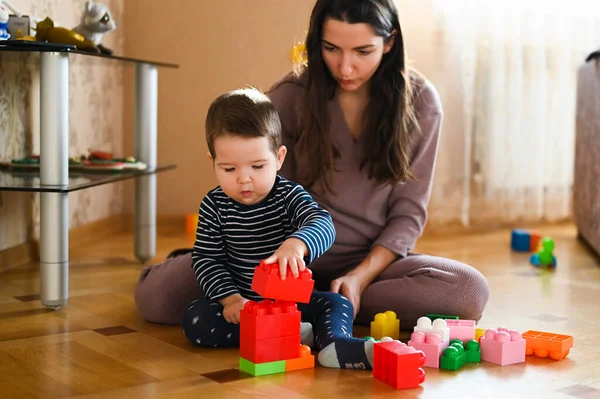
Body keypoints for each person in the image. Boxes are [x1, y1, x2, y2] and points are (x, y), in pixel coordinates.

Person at [134, 0, 489, 336]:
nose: (345, 67)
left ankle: (327, 302)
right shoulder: (289, 97)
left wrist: (359, 279)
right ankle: (322, 307)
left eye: (362, 51)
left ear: (390, 42)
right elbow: (260, 191)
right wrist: (271, 270)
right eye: (331, 48)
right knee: (156, 297)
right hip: (272, 258)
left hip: (368, 264)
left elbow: (408, 214)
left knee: (467, 292)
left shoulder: (421, 103)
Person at [181, 86, 383, 370]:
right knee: (196, 319)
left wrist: (296, 244)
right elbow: (206, 259)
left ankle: (334, 345)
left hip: (292, 304)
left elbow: (322, 223)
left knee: (337, 304)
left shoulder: (288, 196)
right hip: (245, 307)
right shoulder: (214, 205)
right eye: (229, 169)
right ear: (212, 162)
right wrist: (231, 299)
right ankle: (282, 337)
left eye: (258, 166)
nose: (244, 180)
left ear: (279, 158)